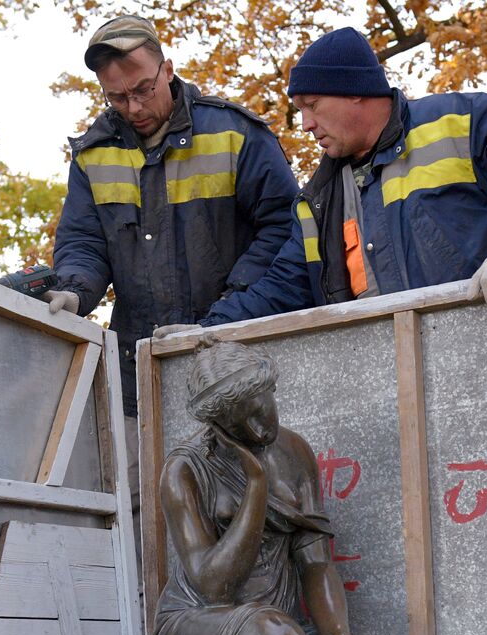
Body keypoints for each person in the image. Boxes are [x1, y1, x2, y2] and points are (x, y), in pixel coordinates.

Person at [60, 338, 395, 635]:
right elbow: (214, 583)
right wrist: (255, 488)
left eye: (264, 408)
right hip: (198, 625)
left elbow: (316, 561)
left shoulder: (297, 453)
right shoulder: (184, 470)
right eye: (243, 420)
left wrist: (335, 634)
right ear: (216, 424)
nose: (261, 427)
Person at [195, 26, 487, 327]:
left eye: (312, 105)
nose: (306, 124)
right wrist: (203, 332)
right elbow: (282, 287)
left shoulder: (462, 121)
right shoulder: (318, 199)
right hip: (386, 377)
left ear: (355, 92)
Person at [33, 14, 299, 432]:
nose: (134, 108)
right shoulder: (92, 155)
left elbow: (286, 229)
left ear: (167, 70)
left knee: (242, 488)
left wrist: (230, 310)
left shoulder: (235, 133)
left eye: (143, 90)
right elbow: (84, 241)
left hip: (236, 362)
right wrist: (74, 290)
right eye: (117, 98)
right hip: (137, 374)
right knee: (140, 494)